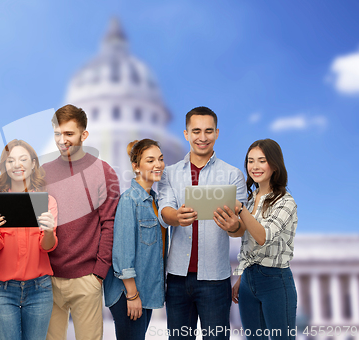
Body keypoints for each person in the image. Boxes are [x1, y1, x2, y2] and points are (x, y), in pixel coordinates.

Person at [157, 106, 247, 339]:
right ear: (186, 134)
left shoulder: (233, 175)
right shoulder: (170, 173)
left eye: (208, 131)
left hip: (216, 280)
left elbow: (241, 228)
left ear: (217, 133)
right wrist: (175, 217)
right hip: (177, 277)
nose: (202, 137)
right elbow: (164, 210)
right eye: (196, 131)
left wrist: (233, 226)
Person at [43, 104, 120, 340]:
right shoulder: (42, 172)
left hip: (87, 279)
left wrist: (98, 273)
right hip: (48, 279)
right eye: (58, 134)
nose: (62, 140)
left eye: (69, 134)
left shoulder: (103, 171)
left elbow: (110, 224)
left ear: (84, 135)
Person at [213, 139, 297, 340]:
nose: (255, 167)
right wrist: (242, 277)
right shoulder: (250, 199)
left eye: (262, 160)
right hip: (248, 281)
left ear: (274, 165)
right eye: (250, 161)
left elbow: (263, 237)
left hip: (275, 280)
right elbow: (245, 239)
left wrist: (240, 209)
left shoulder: (285, 201)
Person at [0, 139, 58, 340]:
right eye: (10, 161)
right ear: (5, 167)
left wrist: (49, 231)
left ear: (33, 164)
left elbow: (47, 246)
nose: (17, 165)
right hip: (2, 291)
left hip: (39, 290)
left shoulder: (47, 202)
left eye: (23, 159)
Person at [104, 139, 166, 340]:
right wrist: (132, 295)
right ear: (136, 167)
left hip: (145, 290)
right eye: (150, 160)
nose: (158, 165)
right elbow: (122, 252)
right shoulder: (130, 200)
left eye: (160, 159)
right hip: (128, 293)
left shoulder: (155, 201)